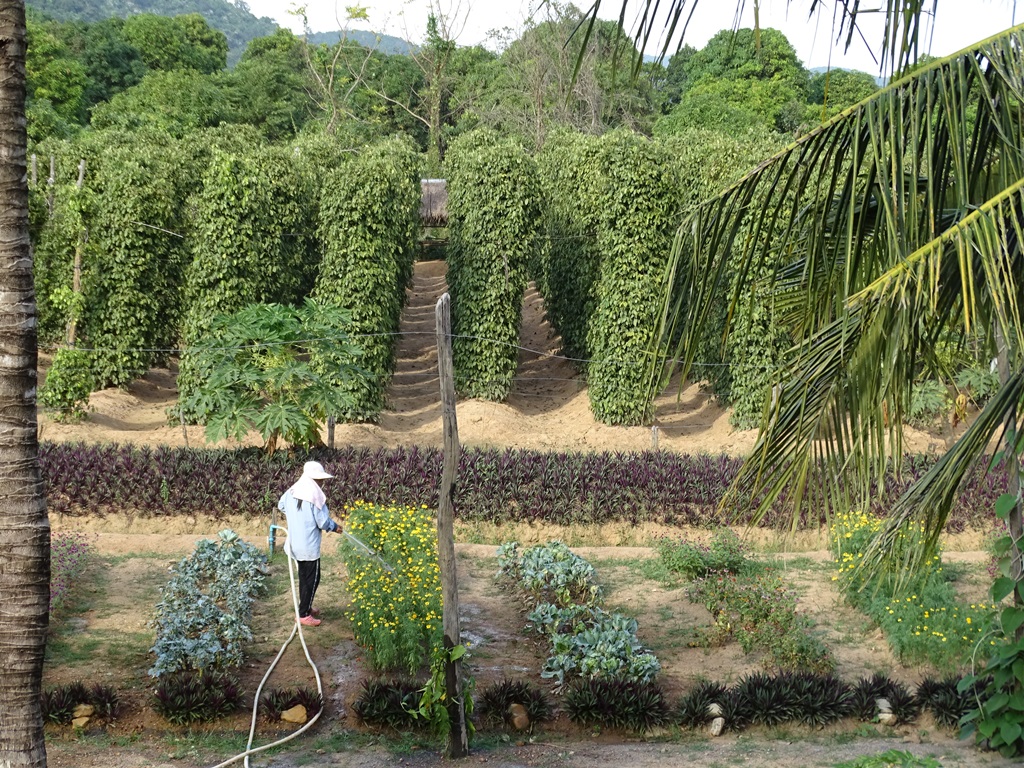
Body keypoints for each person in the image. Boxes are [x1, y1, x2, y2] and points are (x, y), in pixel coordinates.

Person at [277, 460, 342, 627]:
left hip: (295, 543)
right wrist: (335, 527)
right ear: (313, 479)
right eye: (319, 480)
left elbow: (281, 505)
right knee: (312, 578)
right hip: (308, 546)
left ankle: (306, 607)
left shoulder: (292, 491)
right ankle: (304, 614)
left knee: (304, 577)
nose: (321, 483)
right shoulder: (315, 497)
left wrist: (296, 517)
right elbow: (322, 522)